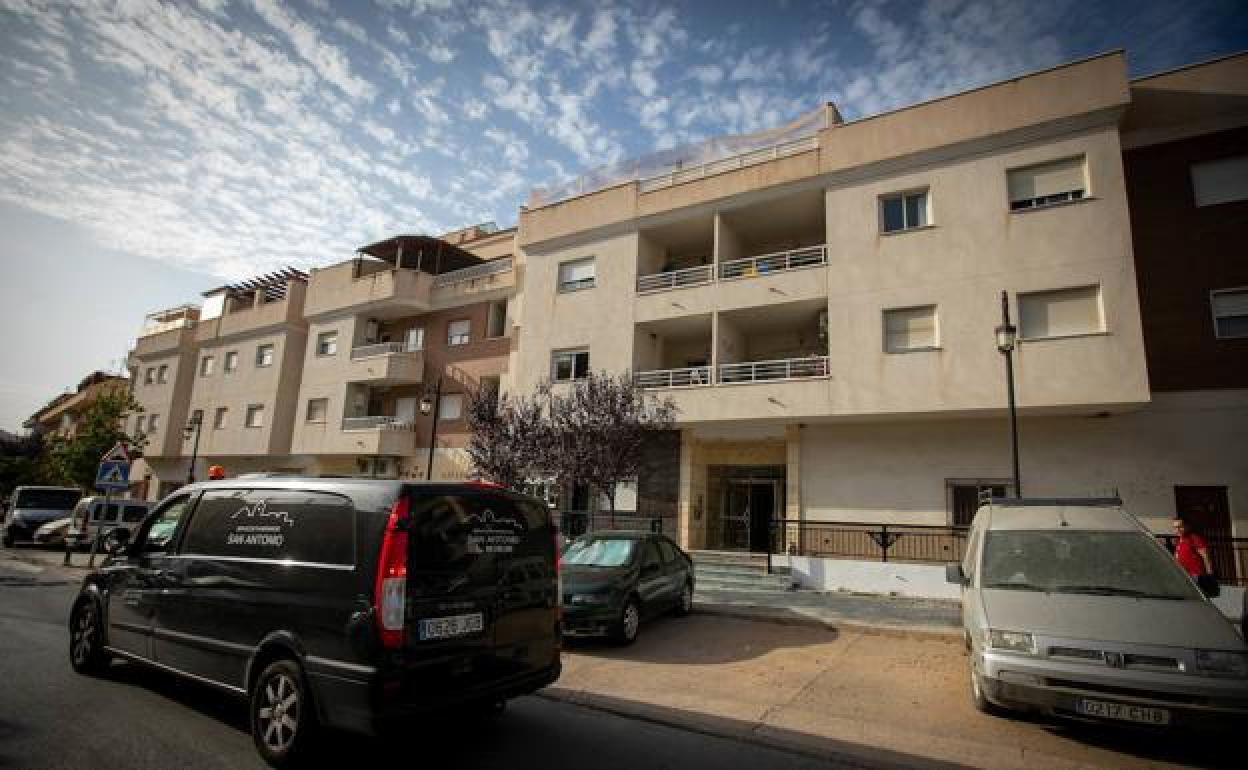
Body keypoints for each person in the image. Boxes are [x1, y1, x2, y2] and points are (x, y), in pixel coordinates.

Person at [1173, 516, 1216, 596]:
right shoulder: (1179, 541)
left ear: (1187, 526)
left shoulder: (1194, 538)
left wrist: (1210, 575)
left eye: (1180, 527)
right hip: (1184, 576)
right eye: (1175, 527)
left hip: (1195, 576)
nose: (1177, 530)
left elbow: (1205, 556)